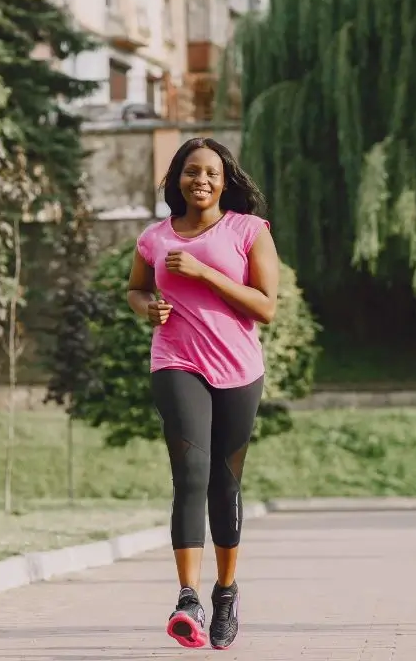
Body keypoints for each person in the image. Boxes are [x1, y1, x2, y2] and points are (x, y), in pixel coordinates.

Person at [126, 137, 278, 650]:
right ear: (178, 179)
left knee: (224, 484)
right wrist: (145, 308)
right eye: (192, 172)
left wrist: (205, 273)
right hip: (176, 361)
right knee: (189, 475)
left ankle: (226, 592)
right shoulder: (155, 237)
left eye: (211, 172)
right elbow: (136, 289)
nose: (202, 181)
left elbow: (265, 306)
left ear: (225, 178)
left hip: (238, 369)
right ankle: (187, 596)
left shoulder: (248, 231)